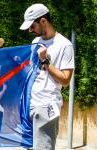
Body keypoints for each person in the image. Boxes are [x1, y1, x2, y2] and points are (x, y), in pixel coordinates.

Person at [20, 3, 74, 150]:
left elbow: (65, 80)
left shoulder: (65, 45)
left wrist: (45, 60)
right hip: (29, 104)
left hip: (47, 105)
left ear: (43, 21)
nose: (31, 30)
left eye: (32, 26)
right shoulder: (35, 42)